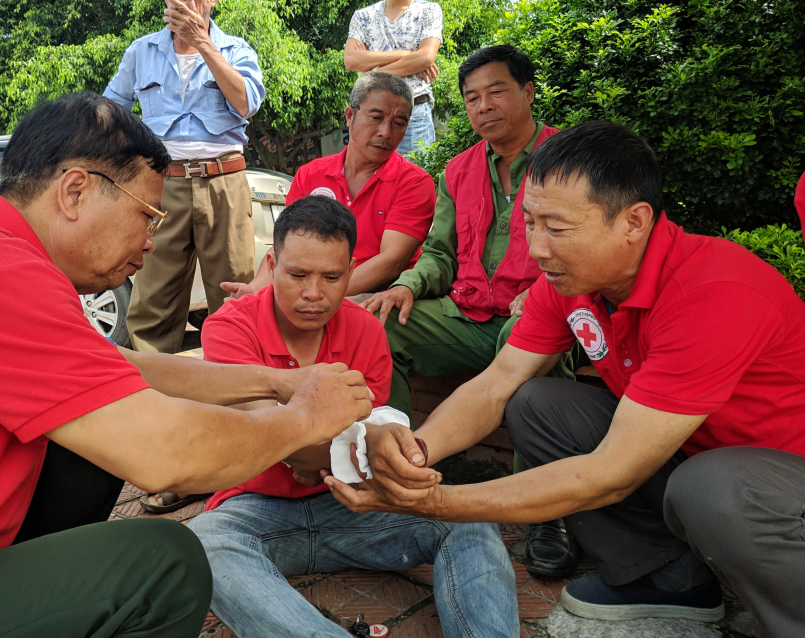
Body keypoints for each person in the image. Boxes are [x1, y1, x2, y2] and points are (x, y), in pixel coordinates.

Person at [0, 92, 375, 638]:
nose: (150, 241)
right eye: (148, 215)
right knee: (163, 565)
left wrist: (277, 380)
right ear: (74, 192)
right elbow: (169, 456)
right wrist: (303, 417)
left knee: (82, 451)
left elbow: (122, 370)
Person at [328, 121, 805, 638]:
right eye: (529, 223)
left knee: (713, 488)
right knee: (536, 403)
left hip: (778, 481)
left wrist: (433, 502)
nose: (536, 248)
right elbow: (497, 383)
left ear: (634, 222)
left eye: (556, 228)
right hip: (690, 451)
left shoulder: (714, 294)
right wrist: (415, 454)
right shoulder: (571, 283)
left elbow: (613, 471)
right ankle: (669, 578)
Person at [186, 195, 518, 638]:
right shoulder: (230, 327)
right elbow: (275, 436)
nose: (312, 294)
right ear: (272, 263)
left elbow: (365, 440)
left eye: (332, 277)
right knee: (204, 544)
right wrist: (346, 447)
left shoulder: (365, 329)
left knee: (469, 518)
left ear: (352, 269)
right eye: (297, 274)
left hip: (355, 506)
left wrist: (351, 451)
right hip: (253, 508)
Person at [363, 44, 576, 575]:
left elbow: (587, 247)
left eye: (496, 91)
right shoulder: (457, 171)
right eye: (471, 98)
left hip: (544, 318)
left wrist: (552, 289)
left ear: (528, 92)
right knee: (381, 325)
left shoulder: (570, 159)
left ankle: (545, 510)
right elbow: (438, 253)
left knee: (527, 342)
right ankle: (403, 462)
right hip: (471, 314)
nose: (483, 106)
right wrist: (408, 286)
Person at [104, 0, 264, 354]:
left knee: (237, 298)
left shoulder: (237, 51)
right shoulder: (141, 51)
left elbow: (246, 103)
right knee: (152, 301)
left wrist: (202, 43)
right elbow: (109, 114)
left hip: (223, 184)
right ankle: (153, 399)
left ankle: (242, 394)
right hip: (161, 189)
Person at [223, 72, 436, 302]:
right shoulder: (310, 174)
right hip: (313, 295)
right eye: (376, 117)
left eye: (399, 123)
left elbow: (390, 263)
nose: (386, 132)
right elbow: (285, 247)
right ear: (349, 115)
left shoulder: (414, 183)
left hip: (376, 298)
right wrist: (254, 290)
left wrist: (322, 294)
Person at [344, 0, 442, 158]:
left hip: (414, 113)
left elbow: (426, 58)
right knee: (371, 187)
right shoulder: (363, 17)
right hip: (371, 114)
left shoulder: (429, 11)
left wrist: (371, 73)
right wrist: (408, 55)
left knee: (414, 187)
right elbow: (351, 60)